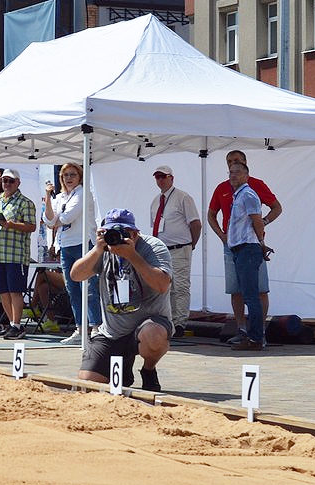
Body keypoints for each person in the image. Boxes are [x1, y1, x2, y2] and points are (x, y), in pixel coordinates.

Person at [70, 209, 173, 392]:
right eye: (110, 232)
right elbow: (76, 275)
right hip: (113, 331)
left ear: (135, 233)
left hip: (148, 324)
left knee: (154, 335)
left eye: (124, 233)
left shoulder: (153, 246)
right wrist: (97, 248)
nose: (116, 237)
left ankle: (148, 369)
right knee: (87, 383)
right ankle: (124, 371)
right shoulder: (102, 250)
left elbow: (162, 285)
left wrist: (132, 256)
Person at [208, 150, 281, 338]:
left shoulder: (254, 186)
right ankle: (241, 329)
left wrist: (263, 224)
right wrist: (222, 236)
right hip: (231, 245)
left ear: (245, 166)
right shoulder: (222, 187)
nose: (233, 166)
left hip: (251, 244)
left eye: (237, 162)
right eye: (230, 162)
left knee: (259, 289)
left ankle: (259, 331)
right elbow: (211, 214)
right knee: (236, 289)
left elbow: (276, 207)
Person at [44, 162, 102, 343]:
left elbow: (66, 217)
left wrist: (54, 220)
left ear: (80, 177)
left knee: (90, 287)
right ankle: (80, 328)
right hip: (65, 245)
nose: (69, 178)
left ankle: (96, 327)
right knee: (72, 289)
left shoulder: (83, 193)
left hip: (84, 243)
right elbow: (47, 220)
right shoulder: (60, 196)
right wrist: (47, 196)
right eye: (65, 175)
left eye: (72, 175)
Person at [214, 161, 267, 351]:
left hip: (247, 248)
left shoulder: (248, 194)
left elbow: (257, 220)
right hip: (239, 249)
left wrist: (259, 241)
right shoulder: (239, 195)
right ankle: (251, 337)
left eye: (237, 172)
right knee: (247, 294)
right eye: (230, 172)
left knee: (252, 296)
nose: (233, 175)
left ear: (246, 175)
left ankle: (255, 339)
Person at [0, 170, 35, 340]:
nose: (6, 184)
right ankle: (12, 324)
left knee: (15, 291)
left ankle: (17, 325)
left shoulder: (26, 203)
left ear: (18, 182)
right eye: (4, 181)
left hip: (16, 254)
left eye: (10, 181)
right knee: (2, 291)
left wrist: (10, 224)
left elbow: (31, 226)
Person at [147, 166, 202, 337]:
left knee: (180, 286)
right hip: (162, 250)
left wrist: (190, 244)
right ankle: (168, 320)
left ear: (171, 178)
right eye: (157, 177)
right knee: (164, 287)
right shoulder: (156, 201)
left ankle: (179, 323)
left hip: (180, 248)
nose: (160, 180)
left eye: (163, 177)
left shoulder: (183, 197)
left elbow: (195, 224)